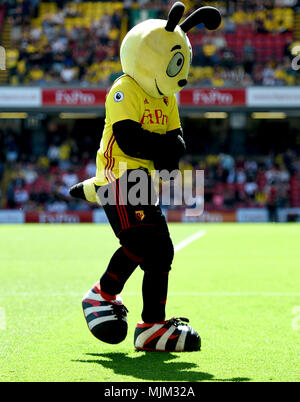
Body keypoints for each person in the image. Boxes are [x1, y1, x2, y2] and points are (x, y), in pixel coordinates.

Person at [70, 2, 221, 352]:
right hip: (118, 178)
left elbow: (178, 143)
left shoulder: (167, 98)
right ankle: (101, 296)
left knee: (160, 252)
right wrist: (165, 149)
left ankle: (151, 327)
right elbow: (128, 139)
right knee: (142, 243)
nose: (180, 75)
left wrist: (167, 156)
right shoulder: (125, 89)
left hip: (143, 183)